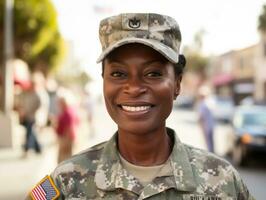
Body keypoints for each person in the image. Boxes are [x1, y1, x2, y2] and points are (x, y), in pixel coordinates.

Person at [26, 13, 254, 200]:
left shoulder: (223, 181)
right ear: (103, 81)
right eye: (118, 74)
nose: (134, 88)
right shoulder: (65, 180)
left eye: (153, 73)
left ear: (177, 84)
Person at [15, 75, 42, 157]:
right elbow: (21, 102)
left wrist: (31, 111)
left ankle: (27, 150)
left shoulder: (37, 95)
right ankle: (38, 148)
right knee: (31, 132)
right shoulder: (26, 93)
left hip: (32, 117)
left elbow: (38, 105)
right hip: (25, 116)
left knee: (29, 133)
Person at [55, 88, 79, 163]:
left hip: (66, 139)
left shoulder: (67, 113)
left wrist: (65, 142)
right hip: (67, 138)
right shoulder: (70, 110)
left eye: (60, 102)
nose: (58, 104)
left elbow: (69, 128)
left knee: (64, 162)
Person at [197, 85, 215, 153]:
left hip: (206, 125)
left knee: (208, 142)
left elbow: (201, 116)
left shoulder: (203, 104)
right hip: (210, 125)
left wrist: (200, 125)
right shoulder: (208, 102)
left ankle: (210, 153)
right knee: (210, 142)